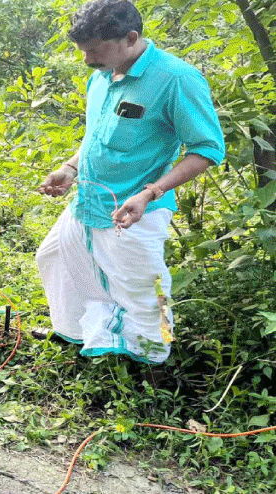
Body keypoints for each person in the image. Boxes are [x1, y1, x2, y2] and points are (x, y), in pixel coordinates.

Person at [35, 0, 225, 364]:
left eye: (95, 50)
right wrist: (70, 169)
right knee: (55, 257)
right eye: (83, 51)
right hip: (89, 200)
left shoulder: (176, 79)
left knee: (147, 291)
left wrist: (151, 193)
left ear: (131, 38)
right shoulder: (101, 76)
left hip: (135, 210)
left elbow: (207, 149)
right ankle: (85, 334)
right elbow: (96, 134)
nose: (87, 60)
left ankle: (154, 360)